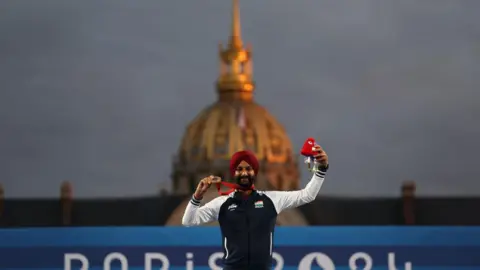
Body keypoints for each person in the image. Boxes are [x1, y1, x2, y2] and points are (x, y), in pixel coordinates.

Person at [182, 144, 329, 270]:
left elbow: (308, 195)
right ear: (234, 172)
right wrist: (197, 196)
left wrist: (321, 169)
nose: (244, 172)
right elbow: (188, 221)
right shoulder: (222, 203)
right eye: (240, 169)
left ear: (255, 172)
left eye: (248, 168)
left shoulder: (272, 199)